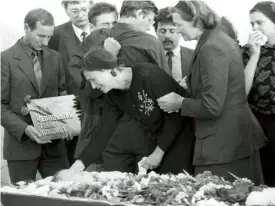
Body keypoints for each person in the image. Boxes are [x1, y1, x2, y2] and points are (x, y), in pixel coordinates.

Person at [156, 0, 267, 184]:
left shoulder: (212, 48)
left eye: (178, 25)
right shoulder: (215, 40)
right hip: (232, 141)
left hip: (223, 146)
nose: (177, 30)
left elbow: (212, 106)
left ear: (196, 20)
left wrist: (179, 102)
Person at [69, 0, 170, 172]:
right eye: (150, 20)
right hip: (145, 130)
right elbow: (165, 92)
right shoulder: (150, 43)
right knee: (144, 189)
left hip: (108, 131)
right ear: (140, 14)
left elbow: (84, 87)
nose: (150, 26)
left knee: (113, 190)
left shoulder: (94, 38)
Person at [72, 48, 194, 175]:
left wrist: (158, 153)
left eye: (93, 79)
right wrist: (76, 167)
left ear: (107, 70)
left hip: (185, 137)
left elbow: (176, 119)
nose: (93, 86)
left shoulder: (149, 74)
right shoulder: (113, 95)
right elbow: (103, 133)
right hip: (162, 141)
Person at [1, 9, 71, 184]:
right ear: (26, 28)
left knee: (65, 196)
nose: (46, 42)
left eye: (49, 36)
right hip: (21, 147)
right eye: (41, 36)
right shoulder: (5, 59)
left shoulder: (55, 57)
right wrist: (25, 129)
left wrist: (69, 122)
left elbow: (62, 93)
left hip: (55, 146)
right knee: (23, 200)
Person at [241, 1, 275, 187]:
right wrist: (254, 55)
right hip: (258, 125)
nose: (255, 28)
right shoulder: (246, 51)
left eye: (260, 22)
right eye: (252, 24)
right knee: (263, 180)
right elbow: (242, 92)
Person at [48, 0, 94, 166]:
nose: (81, 15)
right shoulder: (55, 35)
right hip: (71, 112)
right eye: (75, 11)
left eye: (84, 9)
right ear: (65, 9)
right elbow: (50, 76)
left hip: (101, 110)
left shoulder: (104, 29)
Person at [154, 7, 194, 82]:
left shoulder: (194, 56)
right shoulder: (149, 57)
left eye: (172, 31)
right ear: (156, 32)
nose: (167, 36)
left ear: (180, 31)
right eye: (163, 31)